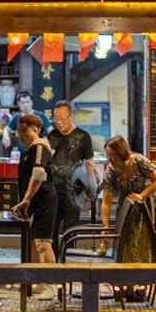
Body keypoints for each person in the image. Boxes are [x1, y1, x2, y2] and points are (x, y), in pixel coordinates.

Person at [10, 114, 59, 301]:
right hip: (33, 201)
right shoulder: (30, 149)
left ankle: (50, 285)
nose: (21, 135)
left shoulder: (40, 147)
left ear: (36, 130)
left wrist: (26, 199)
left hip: (43, 199)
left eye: (25, 131)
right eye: (19, 131)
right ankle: (36, 281)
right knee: (33, 242)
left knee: (43, 242)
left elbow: (38, 174)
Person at [99, 135, 156, 255]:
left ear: (122, 152)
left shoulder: (138, 161)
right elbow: (106, 202)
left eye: (113, 155)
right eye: (107, 154)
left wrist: (141, 195)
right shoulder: (110, 171)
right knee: (125, 237)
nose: (109, 158)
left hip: (145, 203)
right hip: (126, 203)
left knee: (142, 238)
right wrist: (105, 226)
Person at [47, 100, 97, 251]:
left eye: (62, 118)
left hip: (73, 192)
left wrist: (91, 189)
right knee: (51, 230)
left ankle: (68, 259)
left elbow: (90, 164)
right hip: (53, 191)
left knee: (70, 230)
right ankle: (54, 260)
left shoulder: (83, 136)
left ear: (71, 116)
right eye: (56, 118)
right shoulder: (52, 135)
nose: (58, 122)